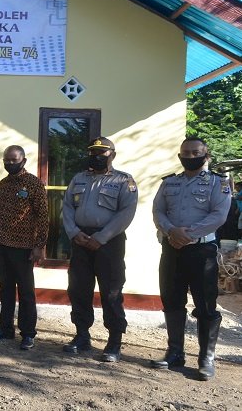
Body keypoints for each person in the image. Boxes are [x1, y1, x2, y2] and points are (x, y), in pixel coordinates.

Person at [151, 137, 231, 381]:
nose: (190, 155)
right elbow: (158, 210)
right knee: (172, 300)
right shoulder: (169, 183)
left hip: (201, 252)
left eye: (195, 152)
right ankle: (175, 352)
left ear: (206, 155)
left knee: (205, 305)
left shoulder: (219, 183)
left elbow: (219, 215)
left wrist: (187, 234)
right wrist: (170, 231)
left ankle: (206, 358)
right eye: (185, 152)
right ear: (179, 155)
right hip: (171, 250)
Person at [61, 137, 138, 362]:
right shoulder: (78, 179)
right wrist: (74, 233)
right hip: (80, 239)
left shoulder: (124, 181)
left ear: (112, 155)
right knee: (78, 289)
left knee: (111, 292)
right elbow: (67, 206)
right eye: (93, 152)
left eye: (102, 153)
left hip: (109, 242)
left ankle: (114, 342)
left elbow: (126, 213)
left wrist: (102, 237)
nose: (97, 156)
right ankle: (82, 336)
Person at [0, 146, 49, 350]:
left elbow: (43, 217)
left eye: (13, 160)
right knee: (6, 290)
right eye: (6, 160)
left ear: (24, 160)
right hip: (2, 245)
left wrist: (39, 246)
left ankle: (28, 333)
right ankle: (5, 328)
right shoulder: (3, 184)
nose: (9, 164)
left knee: (26, 292)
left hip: (24, 248)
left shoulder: (34, 184)